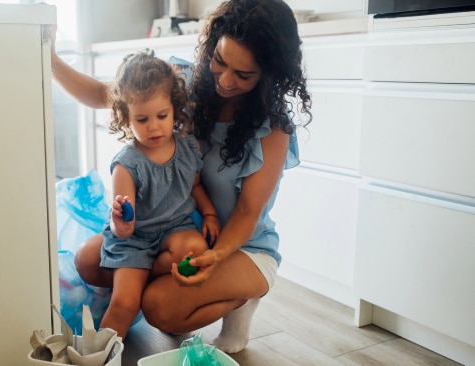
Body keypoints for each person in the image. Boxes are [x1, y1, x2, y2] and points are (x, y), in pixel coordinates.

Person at [48, 0, 312, 353]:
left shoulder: (273, 129)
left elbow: (248, 212)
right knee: (87, 261)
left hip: (242, 245)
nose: (225, 81)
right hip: (174, 226)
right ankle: (150, 290)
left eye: (243, 75)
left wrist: (216, 257)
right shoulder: (182, 82)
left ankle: (242, 296)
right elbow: (106, 95)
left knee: (159, 307)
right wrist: (47, 58)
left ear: (268, 74)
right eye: (220, 61)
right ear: (212, 44)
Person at [96, 49, 220, 340]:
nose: (154, 127)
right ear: (125, 118)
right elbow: (123, 226)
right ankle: (99, 356)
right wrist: (121, 224)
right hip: (136, 239)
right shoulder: (126, 165)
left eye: (161, 116)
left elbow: (195, 186)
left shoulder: (189, 148)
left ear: (175, 108)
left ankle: (150, 277)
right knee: (125, 303)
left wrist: (210, 213)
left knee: (197, 250)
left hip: (175, 228)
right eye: (141, 120)